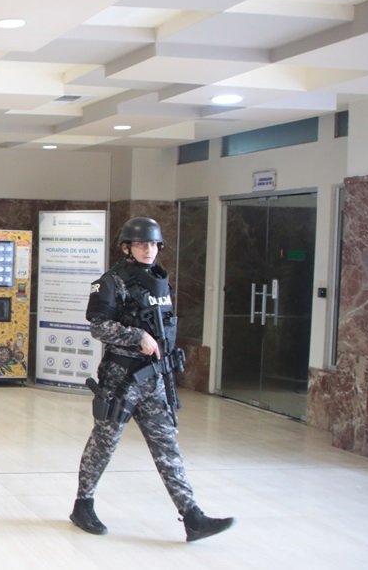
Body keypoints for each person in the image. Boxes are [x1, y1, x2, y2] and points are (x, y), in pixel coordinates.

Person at [71, 217, 234, 542]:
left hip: (156, 378)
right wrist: (136, 336)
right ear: (127, 247)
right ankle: (83, 504)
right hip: (122, 378)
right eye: (142, 244)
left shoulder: (160, 281)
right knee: (105, 442)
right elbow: (97, 326)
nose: (149, 249)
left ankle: (192, 516)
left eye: (153, 244)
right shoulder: (111, 282)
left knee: (167, 445)